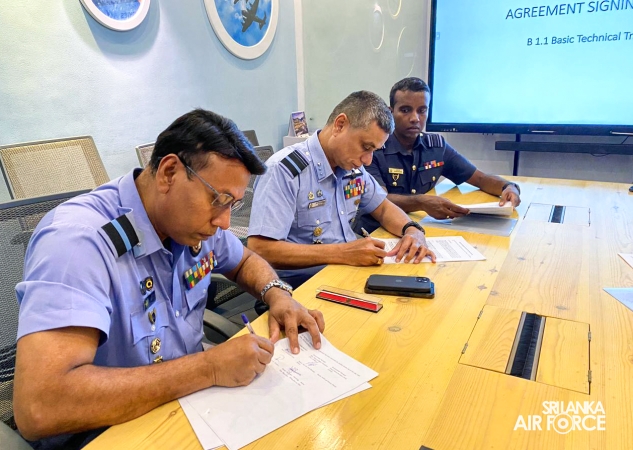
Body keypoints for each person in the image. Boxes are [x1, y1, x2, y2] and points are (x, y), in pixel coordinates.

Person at [13, 109, 325, 448]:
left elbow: (244, 260)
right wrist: (208, 368)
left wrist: (277, 294)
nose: (224, 222)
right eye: (219, 200)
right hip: (106, 432)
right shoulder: (77, 244)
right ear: (169, 172)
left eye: (233, 204)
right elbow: (41, 407)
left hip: (186, 404)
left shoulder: (194, 225)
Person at [247, 91, 436, 289]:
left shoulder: (352, 167)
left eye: (374, 150)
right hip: (301, 285)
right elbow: (261, 249)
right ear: (340, 125)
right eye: (366, 147)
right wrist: (343, 253)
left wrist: (412, 230)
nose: (368, 160)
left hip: (346, 273)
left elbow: (383, 208)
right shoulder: (285, 170)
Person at [354, 77, 522, 234]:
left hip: (420, 226)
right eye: (405, 110)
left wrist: (508, 187)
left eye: (422, 110)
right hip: (377, 231)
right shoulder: (374, 148)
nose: (415, 118)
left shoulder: (435, 146)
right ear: (390, 113)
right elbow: (379, 201)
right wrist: (421, 202)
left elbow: (480, 178)